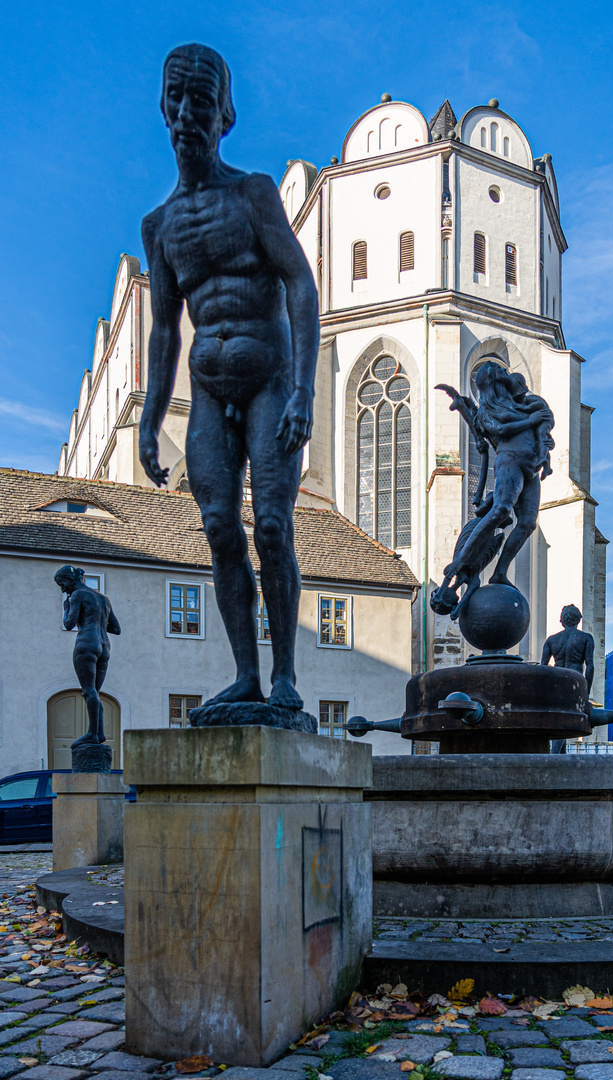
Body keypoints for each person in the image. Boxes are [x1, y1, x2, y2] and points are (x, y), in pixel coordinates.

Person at [138, 44, 319, 709]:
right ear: (164, 108)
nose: (188, 114)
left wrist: (305, 390)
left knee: (272, 526)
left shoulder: (253, 194)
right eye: (178, 100)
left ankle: (285, 677)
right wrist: (153, 419)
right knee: (219, 528)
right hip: (209, 390)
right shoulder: (158, 227)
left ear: (225, 117)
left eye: (203, 102)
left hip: (270, 378)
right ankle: (245, 673)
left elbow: (300, 283)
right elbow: (163, 330)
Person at [432, 361, 554, 616]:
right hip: (509, 462)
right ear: (491, 380)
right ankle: (460, 561)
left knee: (528, 523)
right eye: (501, 373)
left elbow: (540, 423)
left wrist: (543, 447)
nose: (505, 375)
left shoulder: (520, 403)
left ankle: (500, 572)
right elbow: (499, 430)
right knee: (499, 510)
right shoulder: (488, 409)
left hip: (530, 467)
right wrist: (531, 420)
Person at [54, 566, 121, 747]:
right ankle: (99, 733)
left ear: (70, 580)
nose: (62, 589)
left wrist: (66, 607)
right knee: (94, 692)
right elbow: (116, 629)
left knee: (88, 691)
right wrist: (96, 619)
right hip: (104, 646)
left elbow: (68, 623)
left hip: (86, 643)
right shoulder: (104, 599)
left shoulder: (77, 596)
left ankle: (92, 733)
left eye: (62, 584)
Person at [541, 604, 595, 693]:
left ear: (562, 620)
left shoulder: (551, 640)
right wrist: (587, 692)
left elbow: (543, 668)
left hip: (557, 680)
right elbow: (590, 667)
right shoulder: (586, 638)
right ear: (578, 620)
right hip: (576, 680)